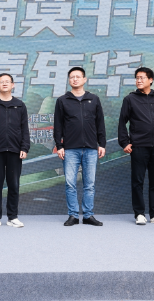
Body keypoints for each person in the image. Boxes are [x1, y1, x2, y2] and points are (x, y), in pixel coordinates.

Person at [118, 67, 154, 226]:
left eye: (142, 77)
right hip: (139, 146)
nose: (139, 80)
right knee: (138, 181)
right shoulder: (130, 99)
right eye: (137, 78)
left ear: (151, 80)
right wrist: (125, 142)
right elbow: (122, 122)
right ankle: (139, 213)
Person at [54, 67, 106, 227]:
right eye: (72, 77)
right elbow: (58, 125)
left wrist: (102, 144)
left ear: (84, 79)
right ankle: (73, 215)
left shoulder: (94, 99)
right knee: (70, 183)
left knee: (89, 184)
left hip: (91, 148)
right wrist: (59, 146)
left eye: (78, 76)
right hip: (70, 149)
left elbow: (100, 123)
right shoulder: (62, 100)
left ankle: (88, 215)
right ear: (69, 80)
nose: (75, 79)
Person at [0, 73, 30, 228]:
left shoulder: (20, 105)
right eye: (1, 82)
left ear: (13, 85)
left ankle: (12, 217)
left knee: (13, 184)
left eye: (7, 81)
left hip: (15, 150)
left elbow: (25, 128)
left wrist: (24, 147)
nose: (4, 84)